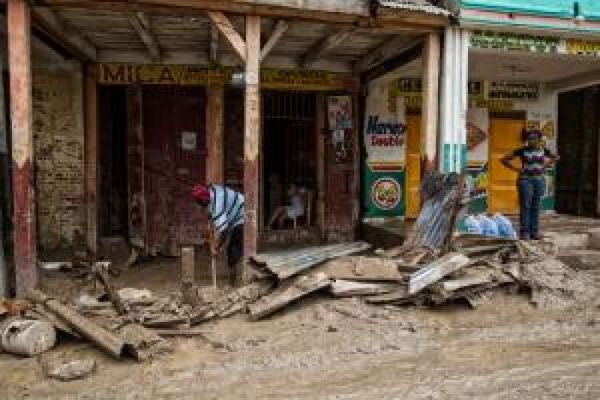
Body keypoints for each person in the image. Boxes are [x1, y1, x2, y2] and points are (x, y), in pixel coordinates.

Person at [501, 129, 559, 240]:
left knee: (536, 206)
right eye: (529, 139)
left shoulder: (544, 150)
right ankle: (525, 232)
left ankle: (534, 232)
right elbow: (503, 159)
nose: (530, 141)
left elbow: (556, 157)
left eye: (533, 139)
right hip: (525, 180)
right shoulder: (522, 150)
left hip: (539, 180)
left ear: (539, 140)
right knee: (525, 206)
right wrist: (517, 169)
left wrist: (544, 166)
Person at [191, 183, 244, 286]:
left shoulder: (217, 205)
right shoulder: (211, 190)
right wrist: (209, 213)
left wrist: (217, 248)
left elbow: (224, 231)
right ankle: (234, 278)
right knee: (234, 248)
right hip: (236, 210)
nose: (200, 205)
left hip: (243, 214)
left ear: (204, 199)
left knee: (233, 249)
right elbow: (210, 208)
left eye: (200, 202)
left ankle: (234, 282)